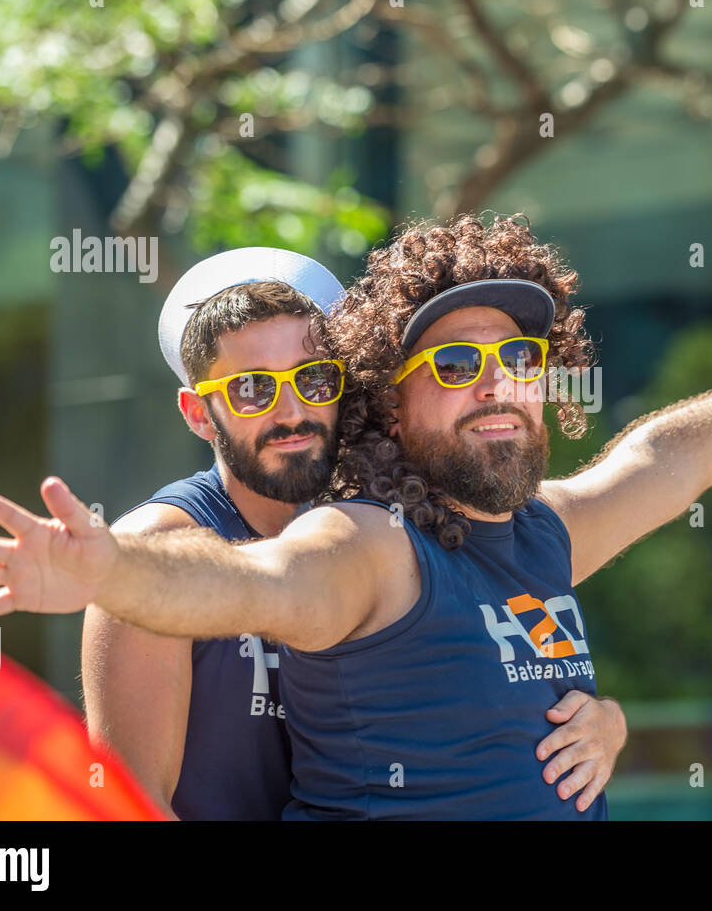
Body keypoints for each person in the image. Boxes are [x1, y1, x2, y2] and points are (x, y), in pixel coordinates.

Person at [0, 214, 712, 820]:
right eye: (454, 367)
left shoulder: (525, 528)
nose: (291, 408)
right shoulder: (352, 543)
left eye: (312, 379)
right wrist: (109, 572)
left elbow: (657, 463)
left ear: (350, 392)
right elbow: (255, 588)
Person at [79, 245, 626, 820]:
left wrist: (601, 720)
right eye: (252, 389)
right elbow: (125, 806)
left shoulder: (383, 528)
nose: (291, 411)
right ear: (197, 413)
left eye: (314, 379)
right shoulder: (153, 551)